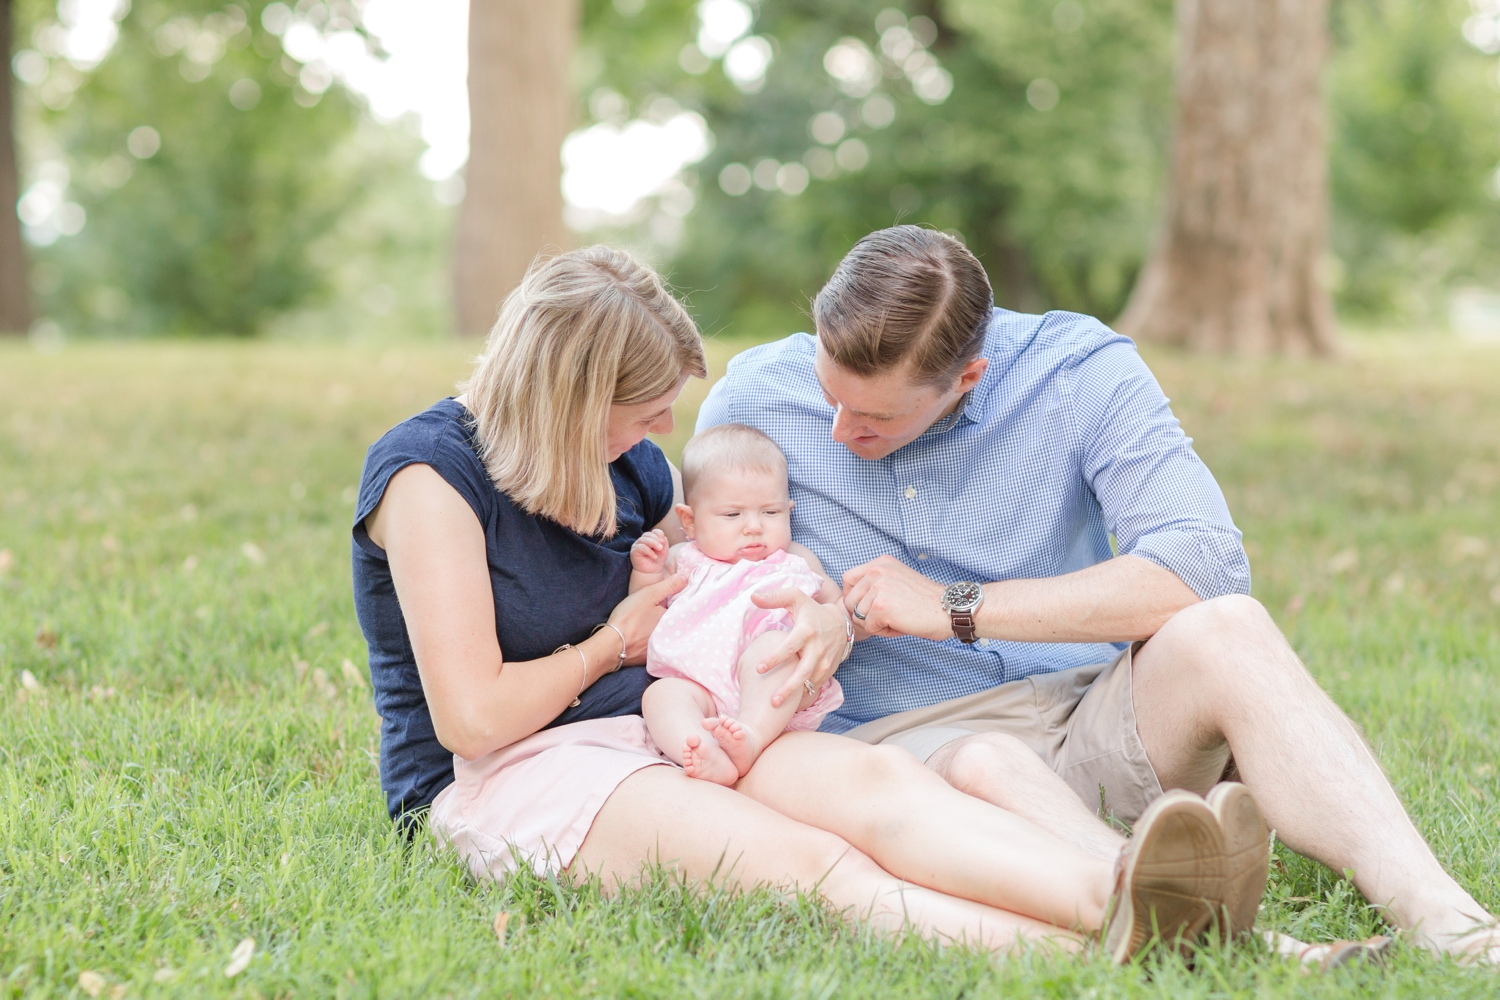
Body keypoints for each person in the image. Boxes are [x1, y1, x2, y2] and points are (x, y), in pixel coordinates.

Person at [349, 244, 1257, 962]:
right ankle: (1116, 956)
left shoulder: (626, 463)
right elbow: (472, 721)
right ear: (571, 397)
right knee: (816, 868)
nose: (666, 430)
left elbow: (723, 571)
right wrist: (612, 647)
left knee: (881, 786)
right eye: (645, 407)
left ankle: (1140, 897)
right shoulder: (431, 478)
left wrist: (816, 602)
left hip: (671, 727)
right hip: (513, 773)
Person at [697, 224, 1500, 964]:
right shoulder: (754, 397)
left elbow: (1203, 563)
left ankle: (1445, 919)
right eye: (829, 395)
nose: (839, 431)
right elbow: (685, 564)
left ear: (967, 377)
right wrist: (806, 605)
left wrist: (952, 608)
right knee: (988, 757)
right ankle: (1234, 936)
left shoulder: (1075, 370)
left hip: (1090, 716)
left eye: (873, 417)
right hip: (914, 765)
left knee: (1229, 626)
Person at [631, 423, 847, 786]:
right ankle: (701, 750)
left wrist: (841, 612)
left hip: (773, 692)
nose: (753, 527)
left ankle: (751, 736)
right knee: (661, 695)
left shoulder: (794, 560)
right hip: (699, 685)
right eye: (732, 515)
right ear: (690, 521)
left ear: (788, 511)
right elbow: (645, 605)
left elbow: (834, 613)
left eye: (771, 513)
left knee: (774, 648)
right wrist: (646, 571)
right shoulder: (685, 559)